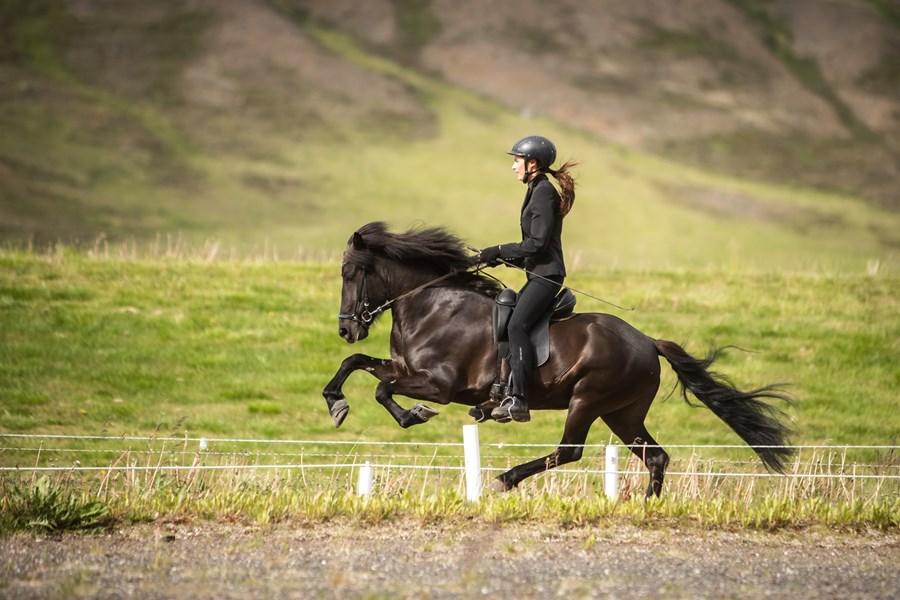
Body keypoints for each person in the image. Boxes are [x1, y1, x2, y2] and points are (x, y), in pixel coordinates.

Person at [477, 135, 577, 423]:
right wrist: (499, 258)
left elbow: (537, 243)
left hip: (548, 276)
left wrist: (499, 250)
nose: (513, 167)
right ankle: (502, 390)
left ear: (533, 163)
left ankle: (519, 400)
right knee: (508, 319)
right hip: (539, 272)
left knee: (517, 325)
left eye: (517, 161)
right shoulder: (536, 189)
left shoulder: (543, 192)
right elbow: (532, 249)